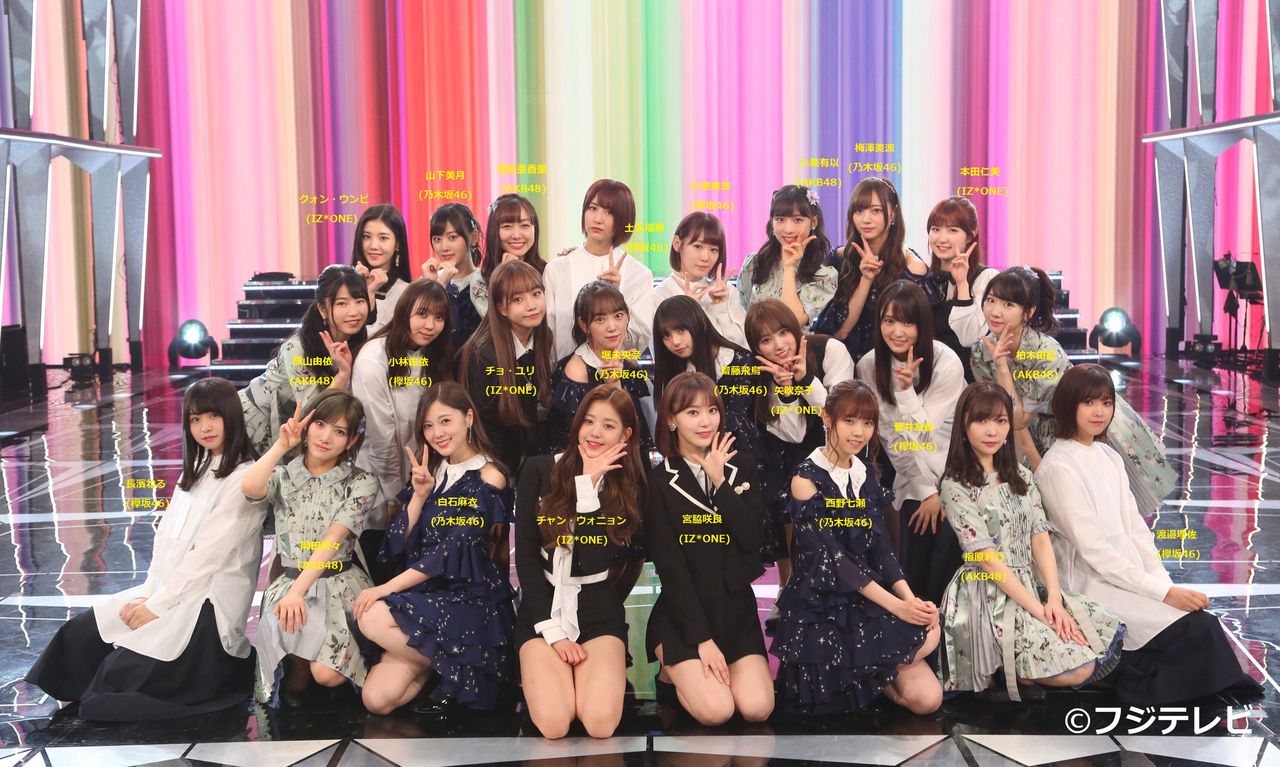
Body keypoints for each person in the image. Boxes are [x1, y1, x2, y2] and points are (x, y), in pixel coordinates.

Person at [26, 379, 266, 720]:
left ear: (232, 416)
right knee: (80, 635)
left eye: (214, 416)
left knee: (116, 686)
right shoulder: (195, 472)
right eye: (195, 419)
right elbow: (165, 540)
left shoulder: (246, 478)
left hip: (207, 604)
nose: (205, 427)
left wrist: (157, 605)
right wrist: (148, 595)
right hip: (169, 591)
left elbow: (209, 558)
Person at [1035, 364, 1263, 705]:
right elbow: (1094, 552)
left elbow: (1137, 529)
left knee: (1197, 621)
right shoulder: (1058, 466)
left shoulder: (1108, 455)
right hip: (1090, 583)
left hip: (1128, 575)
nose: (1100, 412)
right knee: (1196, 630)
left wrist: (1164, 585)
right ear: (1068, 406)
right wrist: (1162, 593)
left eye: (1106, 402)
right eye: (1089, 402)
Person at [937, 382, 1124, 702]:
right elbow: (988, 561)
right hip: (986, 591)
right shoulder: (955, 486)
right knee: (1076, 668)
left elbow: (1040, 539)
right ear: (963, 427)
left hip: (1029, 582)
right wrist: (1040, 611)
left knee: (1090, 639)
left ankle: (1023, 671)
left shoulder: (1021, 476)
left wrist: (1054, 599)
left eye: (1000, 420)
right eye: (981, 420)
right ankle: (1014, 671)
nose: (992, 431)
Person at [773, 380, 941, 715]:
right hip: (823, 605)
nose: (859, 432)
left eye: (867, 422)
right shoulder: (805, 479)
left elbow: (882, 551)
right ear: (827, 418)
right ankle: (866, 675)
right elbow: (835, 562)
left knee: (928, 695)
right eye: (849, 420)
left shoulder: (866, 474)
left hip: (868, 599)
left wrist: (910, 601)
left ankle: (871, 675)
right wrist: (898, 608)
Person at [355, 383, 515, 714]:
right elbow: (395, 544)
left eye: (445, 421)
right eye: (428, 425)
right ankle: (454, 667)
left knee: (371, 617)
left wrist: (384, 589)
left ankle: (466, 668)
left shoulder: (491, 475)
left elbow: (450, 552)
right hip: (425, 597)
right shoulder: (432, 471)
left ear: (468, 418)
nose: (437, 433)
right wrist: (419, 496)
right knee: (377, 700)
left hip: (468, 599)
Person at [515, 386, 648, 738]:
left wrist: (588, 490)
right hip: (542, 606)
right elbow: (526, 558)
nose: (594, 433)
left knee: (600, 723)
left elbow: (591, 562)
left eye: (608, 425)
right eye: (588, 421)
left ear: (625, 435)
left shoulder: (629, 486)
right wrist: (552, 632)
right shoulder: (538, 469)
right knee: (554, 724)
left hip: (597, 608)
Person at [645, 372, 774, 726]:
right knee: (717, 711)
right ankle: (670, 676)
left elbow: (752, 540)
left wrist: (720, 482)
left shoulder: (740, 466)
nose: (705, 421)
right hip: (684, 614)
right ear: (671, 420)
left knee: (757, 708)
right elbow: (671, 569)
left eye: (712, 410)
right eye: (692, 412)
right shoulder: (659, 481)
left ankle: (699, 676)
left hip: (736, 612)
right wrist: (702, 640)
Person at [243, 390, 379, 707]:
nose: (326, 437)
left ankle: (350, 662)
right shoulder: (284, 475)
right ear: (307, 426)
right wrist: (281, 446)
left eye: (339, 431)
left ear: (351, 440)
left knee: (326, 675)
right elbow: (250, 487)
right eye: (320, 424)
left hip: (338, 583)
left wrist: (297, 592)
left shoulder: (361, 481)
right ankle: (298, 666)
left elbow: (333, 540)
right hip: (290, 582)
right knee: (299, 664)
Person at [239, 264, 370, 456]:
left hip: (293, 428)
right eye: (342, 303)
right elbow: (313, 413)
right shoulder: (298, 348)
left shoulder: (360, 340)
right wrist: (343, 374)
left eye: (359, 301)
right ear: (323, 310)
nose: (354, 311)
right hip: (251, 422)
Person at [812, 177, 938, 361]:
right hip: (842, 363)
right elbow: (840, 333)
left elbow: (921, 335)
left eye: (876, 211)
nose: (866, 219)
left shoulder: (912, 268)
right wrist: (866, 279)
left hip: (891, 365)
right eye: (859, 210)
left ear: (893, 214)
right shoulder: (840, 259)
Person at [459, 260, 554, 476]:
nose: (532, 305)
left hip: (523, 449)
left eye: (536, 294)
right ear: (501, 307)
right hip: (491, 457)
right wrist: (505, 473)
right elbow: (485, 427)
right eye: (518, 299)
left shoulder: (543, 335)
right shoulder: (484, 354)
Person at [544, 179, 654, 359]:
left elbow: (637, 343)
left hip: (615, 373)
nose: (597, 219)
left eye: (609, 212)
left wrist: (616, 298)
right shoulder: (556, 269)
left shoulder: (639, 275)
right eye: (593, 208)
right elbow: (548, 336)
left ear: (624, 219)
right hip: (564, 373)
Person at [738, 185, 837, 332]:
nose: (788, 229)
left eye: (797, 220)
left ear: (813, 222)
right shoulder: (754, 263)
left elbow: (794, 321)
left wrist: (789, 267)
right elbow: (742, 315)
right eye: (780, 219)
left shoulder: (824, 276)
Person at [652, 211, 746, 347]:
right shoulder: (660, 296)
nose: (705, 257)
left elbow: (742, 348)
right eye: (698, 246)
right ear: (677, 244)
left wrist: (721, 307)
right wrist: (688, 311)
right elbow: (663, 351)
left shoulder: (727, 292)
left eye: (713, 250)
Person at [351, 204, 412, 334]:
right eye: (367, 236)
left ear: (397, 244)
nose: (373, 245)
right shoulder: (344, 284)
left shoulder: (406, 293)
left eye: (383, 238)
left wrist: (370, 294)